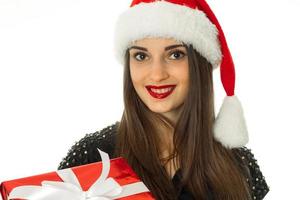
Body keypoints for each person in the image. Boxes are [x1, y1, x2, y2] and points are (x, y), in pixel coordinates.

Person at [58, 0, 270, 199]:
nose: (157, 74)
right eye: (141, 56)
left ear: (199, 63)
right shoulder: (92, 157)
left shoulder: (239, 164)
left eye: (175, 55)